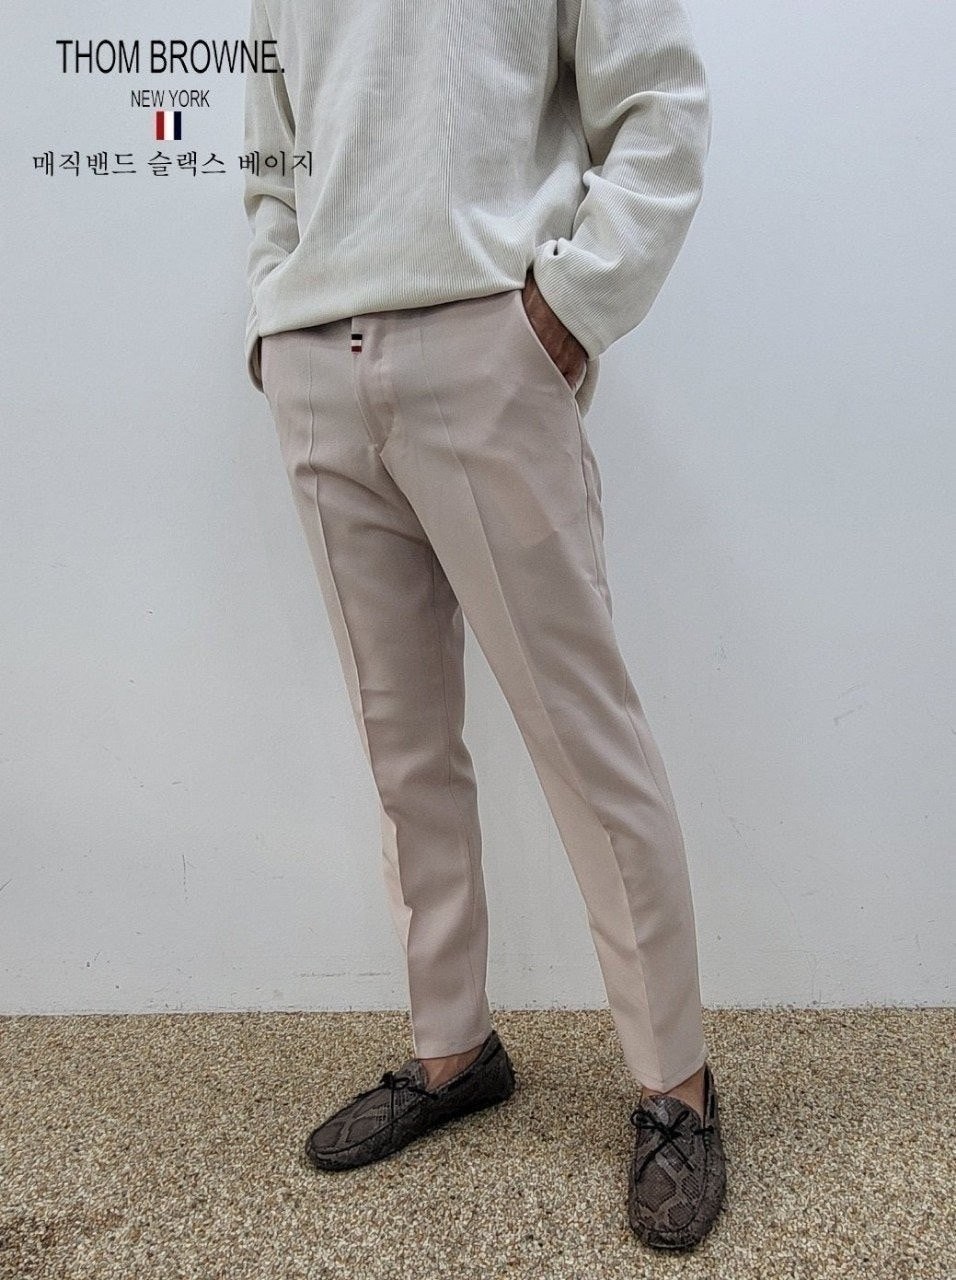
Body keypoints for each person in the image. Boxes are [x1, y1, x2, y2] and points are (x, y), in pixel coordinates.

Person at [242, 0, 725, 1251]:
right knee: (401, 744)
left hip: (486, 340)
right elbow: (269, 145)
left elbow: (658, 103)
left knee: (583, 738)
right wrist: (274, 315)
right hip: (317, 363)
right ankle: (451, 1048)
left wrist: (569, 307)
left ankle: (674, 1085)